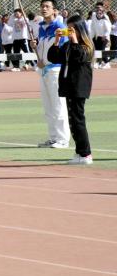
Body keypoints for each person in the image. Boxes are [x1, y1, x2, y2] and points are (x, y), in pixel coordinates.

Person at [47, 15, 94, 165]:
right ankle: (80, 152)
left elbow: (78, 56)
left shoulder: (86, 46)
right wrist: (56, 41)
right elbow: (53, 58)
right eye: (68, 29)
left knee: (77, 120)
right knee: (73, 120)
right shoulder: (68, 45)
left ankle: (85, 154)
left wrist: (74, 40)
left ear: (80, 30)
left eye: (72, 29)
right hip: (69, 86)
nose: (69, 31)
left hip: (78, 86)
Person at [36, 0, 72, 149]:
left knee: (58, 105)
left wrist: (47, 61)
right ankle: (53, 137)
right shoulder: (41, 28)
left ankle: (63, 139)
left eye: (47, 6)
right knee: (48, 106)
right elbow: (42, 49)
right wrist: (35, 47)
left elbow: (62, 50)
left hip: (55, 70)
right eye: (42, 6)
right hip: (43, 71)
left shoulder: (60, 27)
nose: (44, 9)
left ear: (54, 10)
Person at [89, 3, 112, 68]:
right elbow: (92, 26)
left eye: (100, 9)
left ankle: (104, 63)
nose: (98, 10)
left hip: (104, 37)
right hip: (97, 36)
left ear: (103, 11)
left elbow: (109, 28)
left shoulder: (105, 17)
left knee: (101, 50)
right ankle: (101, 62)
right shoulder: (93, 15)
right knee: (97, 50)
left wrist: (105, 35)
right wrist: (91, 36)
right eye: (97, 8)